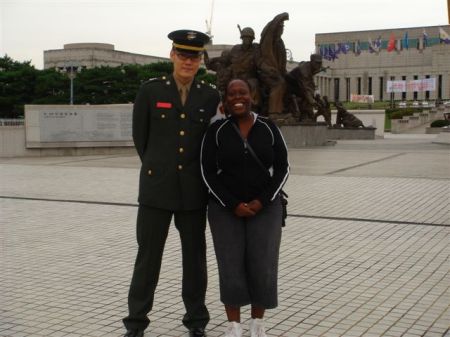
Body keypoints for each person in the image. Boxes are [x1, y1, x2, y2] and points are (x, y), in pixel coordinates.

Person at [122, 29, 220, 337]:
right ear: (172, 56)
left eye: (195, 56)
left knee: (195, 261)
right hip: (156, 190)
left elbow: (211, 142)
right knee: (148, 259)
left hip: (193, 191)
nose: (189, 62)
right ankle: (136, 323)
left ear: (201, 60)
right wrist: (159, 169)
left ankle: (196, 322)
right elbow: (142, 139)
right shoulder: (150, 91)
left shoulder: (209, 94)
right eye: (183, 55)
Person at [200, 79, 289, 337]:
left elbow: (283, 168)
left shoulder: (269, 128)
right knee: (230, 264)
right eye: (232, 94)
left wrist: (262, 200)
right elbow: (207, 173)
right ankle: (234, 326)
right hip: (225, 210)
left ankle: (257, 324)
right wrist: (232, 204)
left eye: (243, 92)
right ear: (225, 100)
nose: (237, 97)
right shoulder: (216, 131)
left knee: (263, 263)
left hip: (266, 207)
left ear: (252, 96)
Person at [285, 54, 323, 122]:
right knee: (306, 97)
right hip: (289, 85)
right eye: (317, 63)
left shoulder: (311, 67)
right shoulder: (304, 70)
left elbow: (310, 84)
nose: (319, 65)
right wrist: (312, 100)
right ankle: (303, 114)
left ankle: (305, 114)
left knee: (308, 96)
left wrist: (314, 96)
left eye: (320, 63)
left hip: (298, 85)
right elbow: (305, 88)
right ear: (311, 61)